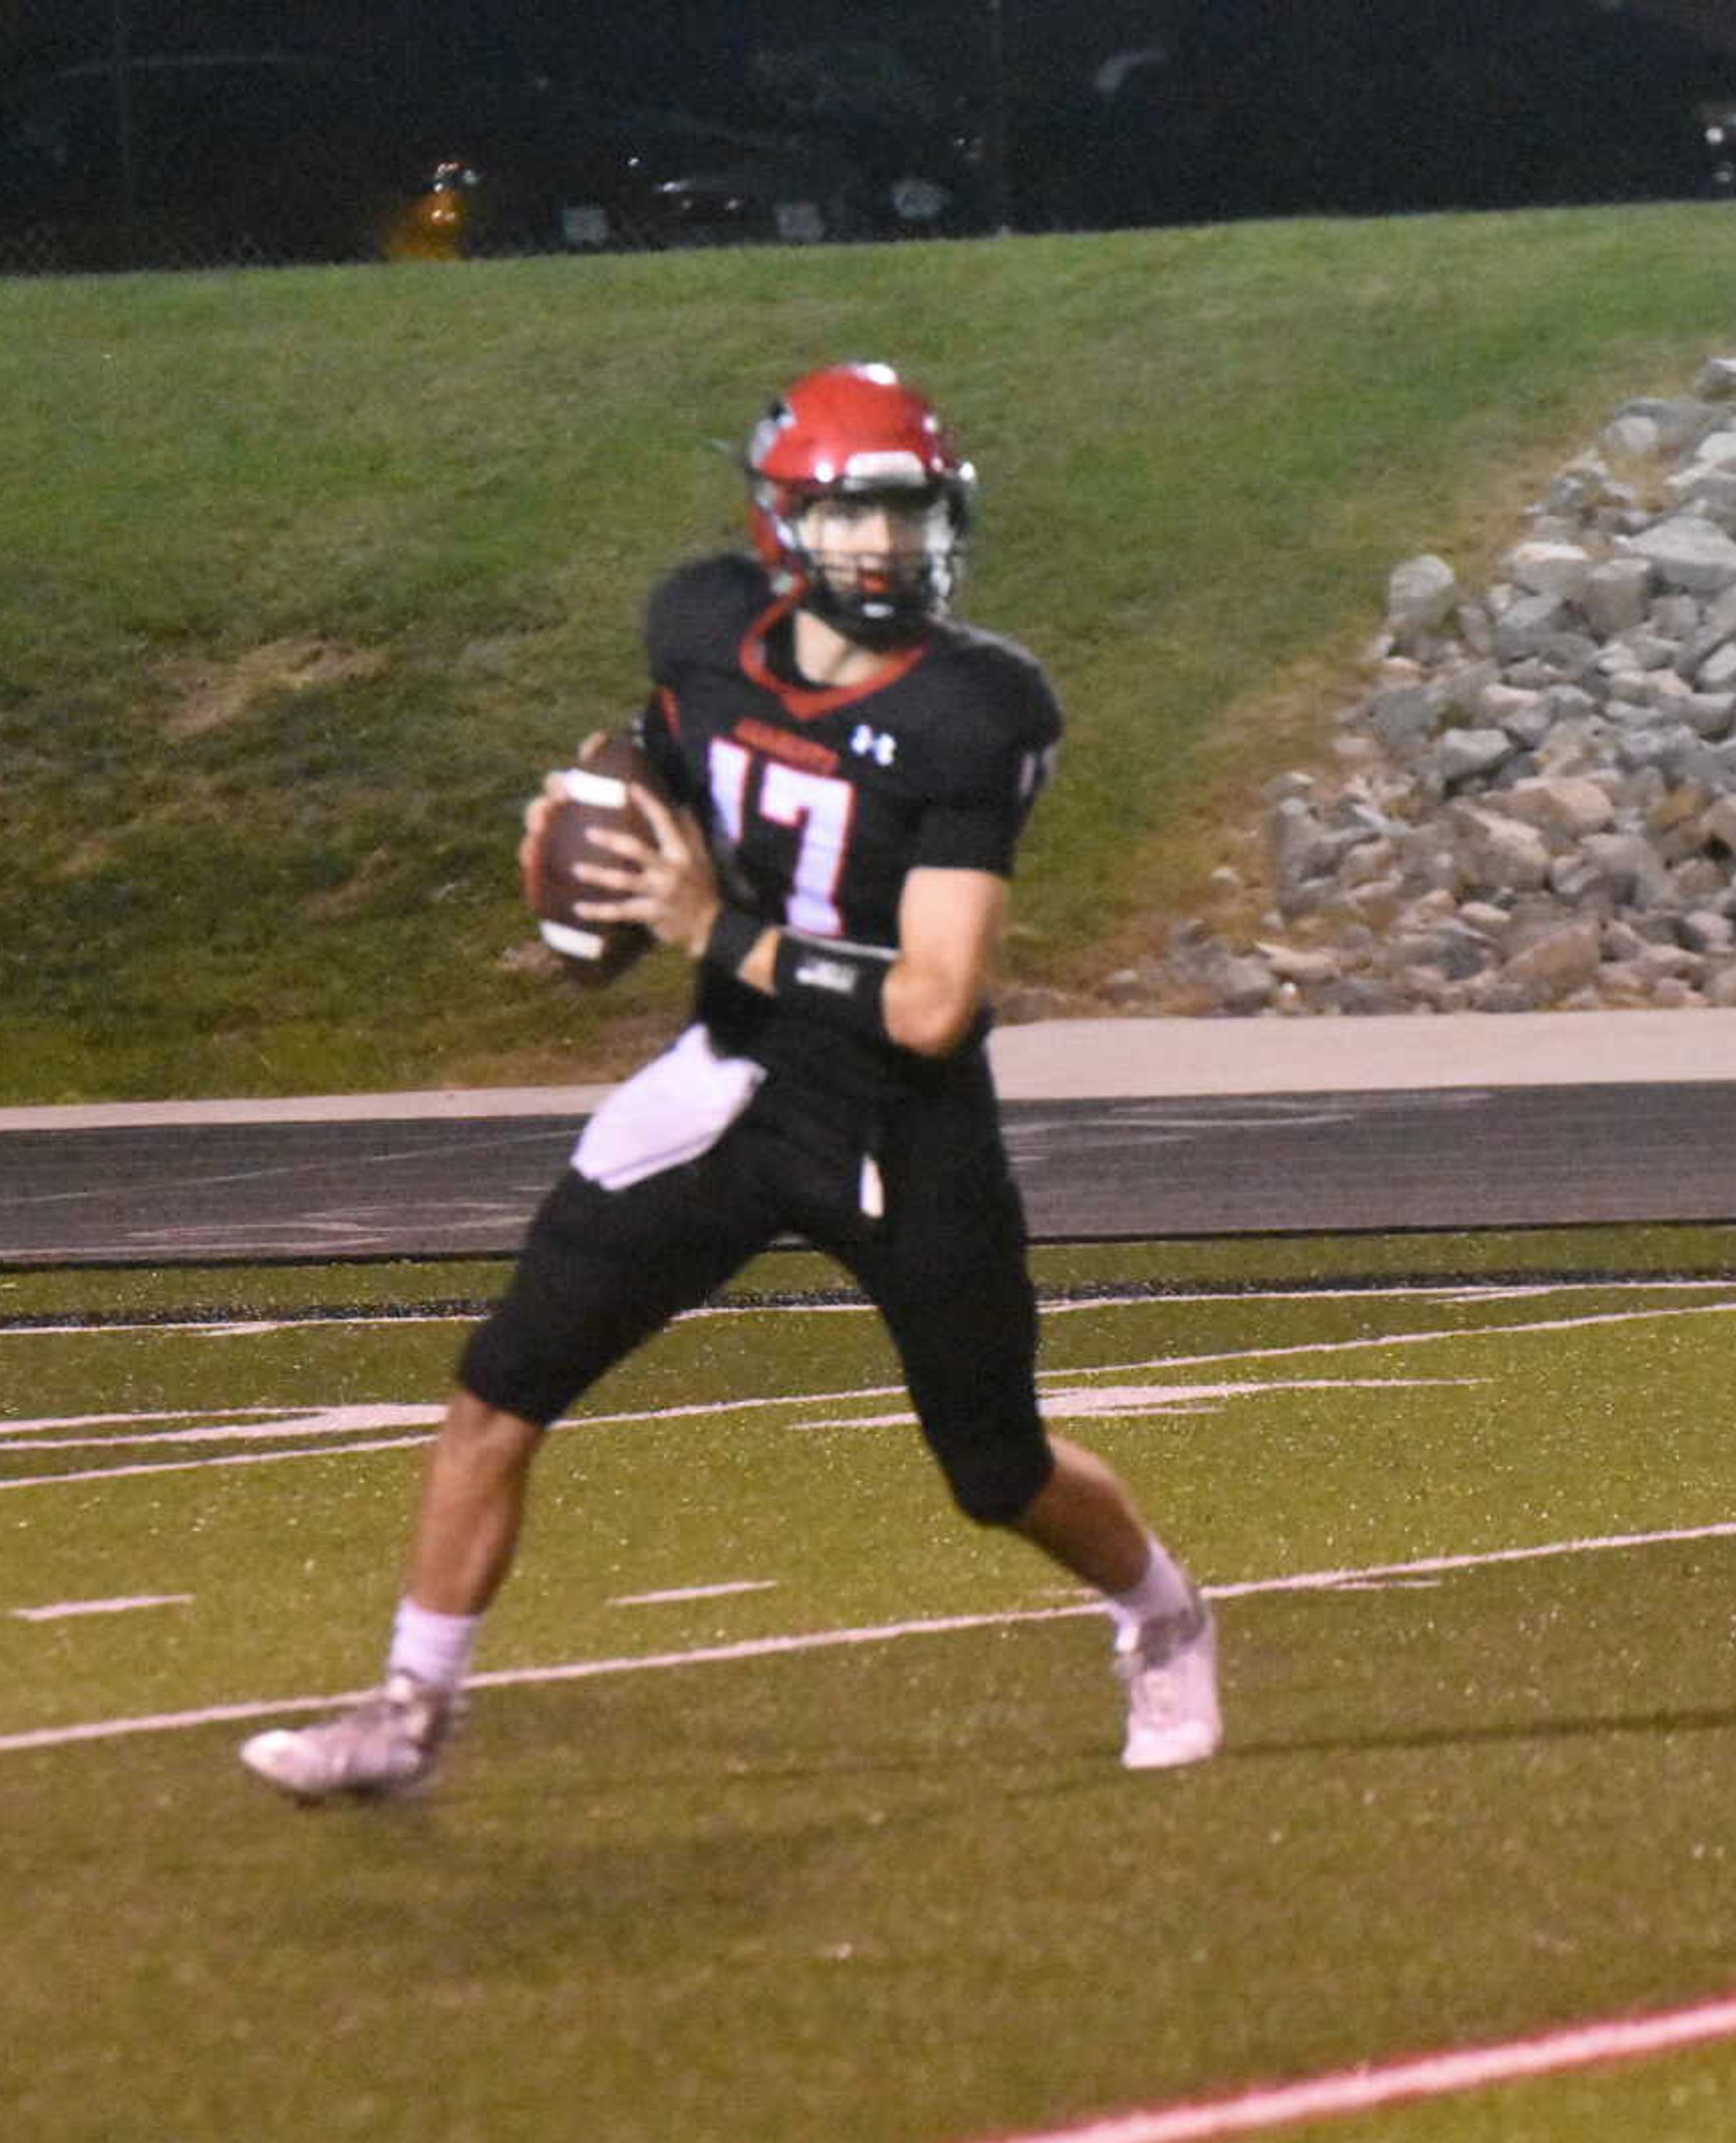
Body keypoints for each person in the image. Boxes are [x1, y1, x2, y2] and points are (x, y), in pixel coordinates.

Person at [239, 361, 1221, 1802]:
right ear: (781, 522)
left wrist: (715, 929)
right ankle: (406, 1711)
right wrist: (592, 876)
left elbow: (937, 1003)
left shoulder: (975, 708)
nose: (885, 549)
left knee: (992, 1468)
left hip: (898, 1119)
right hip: (729, 1083)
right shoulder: (702, 628)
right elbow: (647, 768)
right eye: (851, 517)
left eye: (907, 515)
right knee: (497, 1388)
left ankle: (1163, 1613)